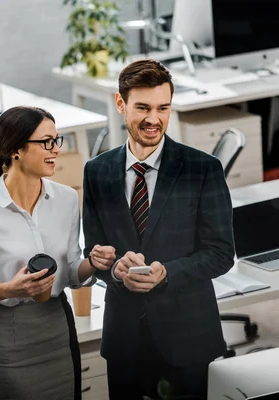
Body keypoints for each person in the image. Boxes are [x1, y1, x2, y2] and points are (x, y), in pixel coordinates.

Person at [82, 59, 235, 399]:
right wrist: (113, 269)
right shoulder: (96, 171)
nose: (154, 119)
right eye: (143, 108)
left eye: (163, 108)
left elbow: (221, 253)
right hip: (124, 338)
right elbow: (93, 251)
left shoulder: (203, 169)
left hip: (188, 337)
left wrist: (166, 272)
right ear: (120, 104)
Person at [0, 106, 116, 399]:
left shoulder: (65, 199)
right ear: (16, 150)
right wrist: (7, 289)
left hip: (58, 331)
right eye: (46, 142)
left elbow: (72, 269)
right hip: (9, 341)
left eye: (56, 140)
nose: (55, 150)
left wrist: (93, 264)